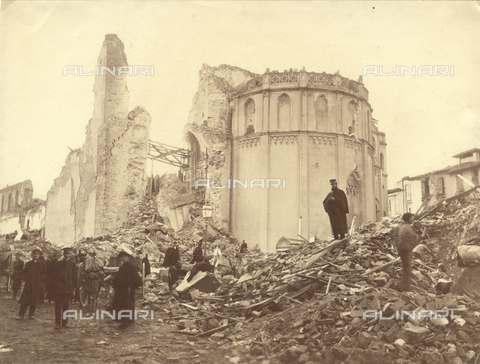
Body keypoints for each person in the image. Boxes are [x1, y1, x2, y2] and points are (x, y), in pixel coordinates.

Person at [110, 248, 143, 330]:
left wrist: (131, 287)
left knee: (125, 306)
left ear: (129, 258)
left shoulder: (131, 267)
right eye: (122, 258)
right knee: (124, 306)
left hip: (126, 291)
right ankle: (128, 321)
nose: (123, 259)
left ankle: (125, 323)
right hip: (121, 291)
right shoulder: (124, 266)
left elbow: (138, 281)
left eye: (124, 257)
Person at [16, 248, 46, 320]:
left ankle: (31, 314)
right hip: (28, 285)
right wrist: (26, 278)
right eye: (34, 254)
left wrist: (41, 278)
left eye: (37, 254)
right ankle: (21, 315)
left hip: (37, 285)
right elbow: (24, 273)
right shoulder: (28, 264)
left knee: (34, 300)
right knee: (25, 300)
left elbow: (45, 273)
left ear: (39, 255)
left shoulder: (42, 264)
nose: (35, 256)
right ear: (32, 255)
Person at [51, 247, 77, 329]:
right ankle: (57, 322)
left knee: (66, 306)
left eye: (68, 253)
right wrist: (55, 286)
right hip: (59, 288)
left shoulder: (73, 265)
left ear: (70, 254)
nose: (67, 255)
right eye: (65, 253)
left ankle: (64, 323)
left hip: (68, 288)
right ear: (63, 254)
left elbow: (74, 277)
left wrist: (73, 288)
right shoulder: (58, 264)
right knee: (58, 306)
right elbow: (53, 276)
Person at [396, 213, 419, 292]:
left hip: (403, 249)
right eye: (412, 217)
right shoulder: (407, 228)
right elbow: (411, 238)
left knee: (406, 268)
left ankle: (404, 285)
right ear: (408, 218)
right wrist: (416, 237)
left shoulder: (403, 227)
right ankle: (405, 286)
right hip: (405, 250)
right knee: (407, 268)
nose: (413, 219)